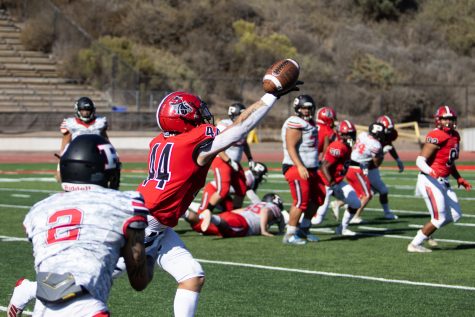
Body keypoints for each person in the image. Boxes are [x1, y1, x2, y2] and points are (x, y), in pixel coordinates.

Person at [137, 78, 300, 315]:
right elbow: (240, 128)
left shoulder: (160, 141)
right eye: (197, 113)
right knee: (94, 280)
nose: (203, 117)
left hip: (154, 221)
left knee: (192, 275)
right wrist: (271, 96)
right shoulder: (192, 141)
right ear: (182, 118)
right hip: (143, 226)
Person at [7, 135, 153, 317]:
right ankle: (26, 290)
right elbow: (139, 281)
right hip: (85, 308)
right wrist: (151, 256)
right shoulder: (125, 204)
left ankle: (25, 290)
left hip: (44, 308)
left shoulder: (39, 210)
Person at [407, 105, 471, 253]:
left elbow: (449, 162)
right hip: (429, 180)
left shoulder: (455, 136)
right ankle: (414, 244)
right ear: (438, 120)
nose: (448, 122)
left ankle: (425, 230)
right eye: (445, 119)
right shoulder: (436, 135)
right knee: (439, 218)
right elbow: (419, 161)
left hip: (444, 180)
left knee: (455, 215)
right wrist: (432, 172)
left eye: (450, 119)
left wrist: (459, 178)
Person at [281, 94, 324, 245]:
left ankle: (304, 229)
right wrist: (299, 165)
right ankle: (290, 234)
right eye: (303, 108)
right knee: (301, 201)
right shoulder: (295, 122)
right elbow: (290, 146)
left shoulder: (310, 122)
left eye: (309, 108)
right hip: (297, 167)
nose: (306, 110)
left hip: (311, 168)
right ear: (297, 109)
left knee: (319, 197)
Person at [186, 161, 268, 232]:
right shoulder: (249, 178)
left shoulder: (248, 176)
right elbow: (250, 194)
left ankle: (210, 220)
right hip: (213, 190)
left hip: (225, 195)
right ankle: (198, 224)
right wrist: (261, 205)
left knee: (229, 213)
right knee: (203, 213)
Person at [312, 120, 361, 236]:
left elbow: (343, 162)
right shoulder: (338, 146)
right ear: (341, 135)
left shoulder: (346, 146)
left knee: (355, 203)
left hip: (337, 182)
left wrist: (360, 165)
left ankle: (342, 229)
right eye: (348, 134)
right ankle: (291, 222)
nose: (351, 137)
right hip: (326, 183)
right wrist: (333, 185)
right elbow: (324, 167)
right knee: (317, 220)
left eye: (352, 134)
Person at [206, 103, 256, 211]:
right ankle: (206, 212)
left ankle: (234, 214)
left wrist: (250, 159)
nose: (244, 117)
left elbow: (244, 143)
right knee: (223, 190)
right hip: (222, 160)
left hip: (234, 163)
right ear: (233, 115)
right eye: (241, 115)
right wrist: (228, 160)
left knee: (242, 188)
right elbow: (216, 146)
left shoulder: (244, 125)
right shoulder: (224, 126)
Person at [347, 122, 399, 223]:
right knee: (367, 194)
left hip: (351, 163)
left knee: (363, 192)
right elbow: (376, 164)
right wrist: (382, 153)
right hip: (359, 167)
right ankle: (353, 216)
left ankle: (344, 207)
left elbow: (352, 143)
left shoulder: (362, 134)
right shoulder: (376, 144)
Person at [55, 97, 109, 181]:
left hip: (96, 156)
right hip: (78, 156)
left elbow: (105, 140)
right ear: (78, 110)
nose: (86, 113)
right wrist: (61, 162)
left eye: (88, 110)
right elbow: (65, 144)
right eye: (83, 110)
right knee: (64, 179)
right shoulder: (70, 123)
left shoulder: (100, 122)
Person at [197, 193, 286, 238]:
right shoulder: (273, 207)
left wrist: (226, 214)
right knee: (229, 231)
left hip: (233, 215)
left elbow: (240, 210)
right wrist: (264, 231)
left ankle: (188, 215)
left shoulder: (257, 204)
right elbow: (265, 211)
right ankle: (212, 218)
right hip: (243, 222)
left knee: (204, 227)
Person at [313, 106, 338, 223]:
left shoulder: (311, 124)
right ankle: (315, 218)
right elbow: (326, 153)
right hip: (310, 163)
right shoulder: (328, 131)